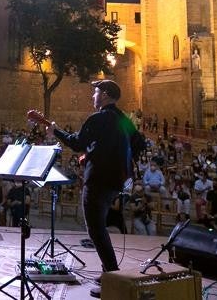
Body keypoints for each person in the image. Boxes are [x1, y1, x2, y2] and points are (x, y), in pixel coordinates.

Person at [47, 80, 135, 298]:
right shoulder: (124, 119)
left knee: (96, 230)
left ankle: (112, 278)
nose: (92, 96)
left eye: (95, 92)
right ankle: (108, 271)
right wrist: (95, 152)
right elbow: (127, 144)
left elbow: (77, 143)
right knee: (100, 229)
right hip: (116, 181)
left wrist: (55, 131)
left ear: (104, 95)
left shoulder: (97, 118)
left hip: (98, 181)